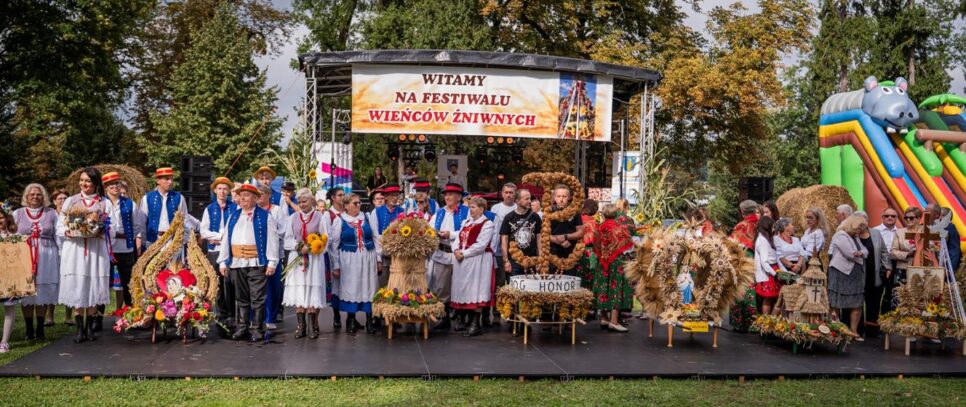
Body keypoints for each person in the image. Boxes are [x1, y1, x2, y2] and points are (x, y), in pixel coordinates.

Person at [58, 167, 114, 343]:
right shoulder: (71, 201)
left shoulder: (105, 203)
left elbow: (112, 229)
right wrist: (69, 232)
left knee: (92, 285)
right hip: (75, 250)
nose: (84, 184)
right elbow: (60, 226)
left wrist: (100, 230)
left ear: (95, 183)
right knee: (77, 285)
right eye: (82, 180)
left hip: (96, 251)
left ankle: (90, 328)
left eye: (88, 181)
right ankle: (79, 329)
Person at [217, 183, 279, 341]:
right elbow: (226, 240)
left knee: (258, 297)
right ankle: (242, 326)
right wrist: (223, 261)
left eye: (246, 195)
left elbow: (273, 240)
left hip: (257, 262)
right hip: (237, 262)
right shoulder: (234, 216)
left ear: (256, 198)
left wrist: (272, 262)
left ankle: (257, 328)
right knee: (241, 297)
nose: (242, 197)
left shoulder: (266, 216)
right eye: (241, 195)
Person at [329, 193, 382, 334]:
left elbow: (376, 238)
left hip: (368, 257)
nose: (358, 205)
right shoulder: (340, 220)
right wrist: (336, 265)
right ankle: (351, 320)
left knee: (369, 286)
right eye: (355, 203)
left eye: (359, 203)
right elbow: (334, 245)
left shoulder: (368, 217)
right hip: (348, 260)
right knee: (351, 287)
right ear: (346, 206)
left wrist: (379, 259)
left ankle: (370, 321)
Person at [13, 184, 60, 340]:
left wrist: (62, 255)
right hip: (24, 256)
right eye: (31, 194)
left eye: (38, 194)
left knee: (43, 291)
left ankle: (40, 328)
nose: (35, 197)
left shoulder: (52, 213)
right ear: (26, 197)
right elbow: (10, 235)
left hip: (47, 255)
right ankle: (29, 329)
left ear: (43, 197)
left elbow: (58, 236)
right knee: (27, 291)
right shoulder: (17, 213)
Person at [283, 189, 328, 339]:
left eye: (305, 201)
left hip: (314, 259)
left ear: (312, 201)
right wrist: (298, 246)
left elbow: (325, 239)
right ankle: (301, 326)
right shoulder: (292, 218)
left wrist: (312, 246)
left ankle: (312, 327)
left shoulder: (320, 217)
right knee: (299, 288)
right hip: (297, 258)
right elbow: (287, 239)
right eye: (300, 202)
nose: (302, 204)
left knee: (312, 287)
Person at [450, 196, 495, 337]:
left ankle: (476, 324)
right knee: (466, 290)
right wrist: (456, 250)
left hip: (479, 261)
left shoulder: (487, 224)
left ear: (482, 209)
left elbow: (481, 245)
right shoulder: (466, 222)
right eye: (470, 207)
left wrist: (463, 253)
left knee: (476, 290)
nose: (471, 210)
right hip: (463, 261)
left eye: (474, 207)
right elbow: (457, 239)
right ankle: (468, 322)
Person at [429, 183, 470, 330]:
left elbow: (468, 230)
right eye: (446, 194)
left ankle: (460, 318)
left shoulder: (467, 212)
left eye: (451, 194)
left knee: (460, 286)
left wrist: (450, 234)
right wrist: (434, 233)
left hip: (459, 254)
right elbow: (430, 227)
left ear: (459, 197)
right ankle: (444, 318)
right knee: (441, 287)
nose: (447, 197)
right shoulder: (439, 212)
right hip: (441, 253)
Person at [199, 177, 237, 328]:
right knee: (218, 284)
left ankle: (232, 314)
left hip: (231, 251)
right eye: (220, 189)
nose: (222, 192)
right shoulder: (209, 209)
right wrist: (219, 237)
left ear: (228, 191)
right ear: (215, 190)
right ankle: (221, 313)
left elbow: (236, 228)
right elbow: (203, 230)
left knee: (230, 282)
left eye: (225, 189)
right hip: (215, 251)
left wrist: (223, 238)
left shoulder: (234, 208)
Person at [101, 173, 140, 319]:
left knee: (128, 283)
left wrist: (128, 235)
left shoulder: (130, 203)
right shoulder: (101, 203)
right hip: (106, 248)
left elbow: (137, 225)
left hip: (125, 247)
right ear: (106, 187)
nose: (115, 186)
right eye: (111, 184)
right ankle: (97, 318)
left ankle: (132, 316)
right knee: (103, 283)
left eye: (117, 183)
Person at [593, 204, 634, 332]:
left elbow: (596, 245)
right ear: (616, 214)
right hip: (617, 262)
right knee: (616, 287)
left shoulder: (599, 228)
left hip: (602, 261)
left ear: (603, 214)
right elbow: (628, 245)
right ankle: (614, 321)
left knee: (604, 286)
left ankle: (604, 318)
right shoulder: (620, 228)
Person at [828, 215, 868, 339]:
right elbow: (850, 254)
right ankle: (837, 329)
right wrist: (859, 254)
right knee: (836, 302)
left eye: (861, 230)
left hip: (855, 274)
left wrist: (860, 253)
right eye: (857, 229)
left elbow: (866, 251)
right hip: (840, 273)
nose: (859, 232)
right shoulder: (840, 235)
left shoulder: (855, 236)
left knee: (857, 303)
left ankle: (853, 331)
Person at [854, 211, 891, 338]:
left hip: (875, 275)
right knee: (858, 304)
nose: (861, 223)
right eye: (858, 220)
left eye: (863, 220)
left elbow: (884, 252)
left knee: (874, 303)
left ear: (867, 221)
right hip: (858, 276)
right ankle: (858, 330)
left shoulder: (876, 233)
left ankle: (871, 331)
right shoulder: (852, 235)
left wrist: (888, 267)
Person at [255, 183, 287, 330]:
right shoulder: (253, 211)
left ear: (268, 196)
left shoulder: (277, 210)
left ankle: (270, 317)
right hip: (257, 254)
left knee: (273, 287)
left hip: (274, 252)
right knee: (258, 287)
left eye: (261, 194)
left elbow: (283, 230)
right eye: (257, 194)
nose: (258, 197)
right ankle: (255, 318)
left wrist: (270, 234)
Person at [137, 167, 187, 249]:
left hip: (172, 241)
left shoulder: (179, 197)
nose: (170, 182)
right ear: (158, 181)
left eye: (171, 179)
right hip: (153, 240)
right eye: (167, 179)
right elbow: (141, 222)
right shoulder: (148, 198)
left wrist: (181, 241)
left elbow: (185, 220)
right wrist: (143, 242)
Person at [500, 189, 542, 277]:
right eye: (526, 199)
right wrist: (506, 260)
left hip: (532, 259)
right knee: (515, 288)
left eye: (530, 199)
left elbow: (539, 239)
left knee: (531, 287)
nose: (529, 201)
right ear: (517, 201)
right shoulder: (509, 217)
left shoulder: (535, 217)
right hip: (514, 261)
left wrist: (540, 258)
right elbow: (504, 239)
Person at [890, 207, 924, 310]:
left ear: (919, 219)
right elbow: (892, 252)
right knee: (900, 297)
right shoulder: (900, 232)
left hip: (921, 269)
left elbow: (934, 248)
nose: (908, 220)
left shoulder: (926, 232)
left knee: (919, 297)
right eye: (906, 218)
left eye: (911, 218)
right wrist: (907, 254)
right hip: (903, 268)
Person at [372, 185, 404, 292]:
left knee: (398, 287)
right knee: (383, 287)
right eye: (392, 196)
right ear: (386, 197)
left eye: (397, 195)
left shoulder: (403, 211)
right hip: (383, 255)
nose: (395, 198)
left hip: (399, 256)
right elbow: (375, 236)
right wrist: (378, 259)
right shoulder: (376, 212)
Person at [322, 188, 346, 330]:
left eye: (343, 195)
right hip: (334, 255)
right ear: (333, 198)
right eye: (340, 195)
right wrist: (334, 262)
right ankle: (336, 316)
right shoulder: (328, 215)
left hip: (348, 255)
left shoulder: (347, 212)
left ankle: (351, 317)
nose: (343, 197)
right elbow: (328, 240)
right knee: (336, 286)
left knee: (349, 286)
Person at [548, 184, 584, 275]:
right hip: (552, 253)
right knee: (553, 281)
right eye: (559, 196)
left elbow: (581, 232)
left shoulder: (574, 212)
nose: (561, 199)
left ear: (569, 197)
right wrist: (559, 241)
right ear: (554, 197)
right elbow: (543, 234)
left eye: (564, 196)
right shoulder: (548, 212)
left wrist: (566, 236)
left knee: (569, 281)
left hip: (570, 253)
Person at [49, 189, 71, 326]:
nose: (62, 201)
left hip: (67, 252)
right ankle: (49, 317)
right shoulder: (50, 214)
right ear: (54, 201)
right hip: (52, 252)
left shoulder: (72, 213)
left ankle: (68, 316)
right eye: (59, 199)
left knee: (68, 283)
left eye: (65, 198)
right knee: (52, 283)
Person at [489, 183, 517, 289]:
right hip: (498, 252)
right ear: (502, 194)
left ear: (515, 194)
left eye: (511, 192)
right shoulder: (495, 208)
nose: (509, 195)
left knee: (514, 283)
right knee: (499, 283)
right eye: (506, 192)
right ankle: (499, 305)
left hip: (515, 253)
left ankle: (512, 306)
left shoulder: (519, 208)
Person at [0, 210, 21, 352]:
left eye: (0, 217)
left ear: (7, 218)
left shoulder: (15, 237)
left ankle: (4, 342)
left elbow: (21, 261)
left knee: (9, 307)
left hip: (9, 278)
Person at [874, 207, 899, 313]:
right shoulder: (875, 231)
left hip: (895, 264)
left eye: (893, 216)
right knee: (876, 293)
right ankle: (873, 322)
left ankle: (886, 320)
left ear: (896, 218)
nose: (890, 218)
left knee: (890, 293)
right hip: (878, 265)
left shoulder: (900, 232)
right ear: (882, 217)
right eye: (887, 216)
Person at [753, 216, 780, 315]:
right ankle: (766, 322)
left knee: (772, 298)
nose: (773, 229)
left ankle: (769, 321)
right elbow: (764, 262)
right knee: (768, 298)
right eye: (772, 227)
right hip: (769, 272)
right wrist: (775, 273)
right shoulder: (762, 241)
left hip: (771, 270)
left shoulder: (764, 238)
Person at [925, 204, 961, 272]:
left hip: (942, 265)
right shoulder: (922, 227)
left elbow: (954, 250)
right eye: (924, 211)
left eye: (927, 211)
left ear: (937, 215)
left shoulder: (948, 227)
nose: (924, 213)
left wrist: (950, 269)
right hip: (924, 265)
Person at [577, 199, 599, 289]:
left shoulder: (578, 219)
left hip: (577, 250)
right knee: (590, 276)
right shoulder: (594, 222)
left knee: (578, 276)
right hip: (591, 252)